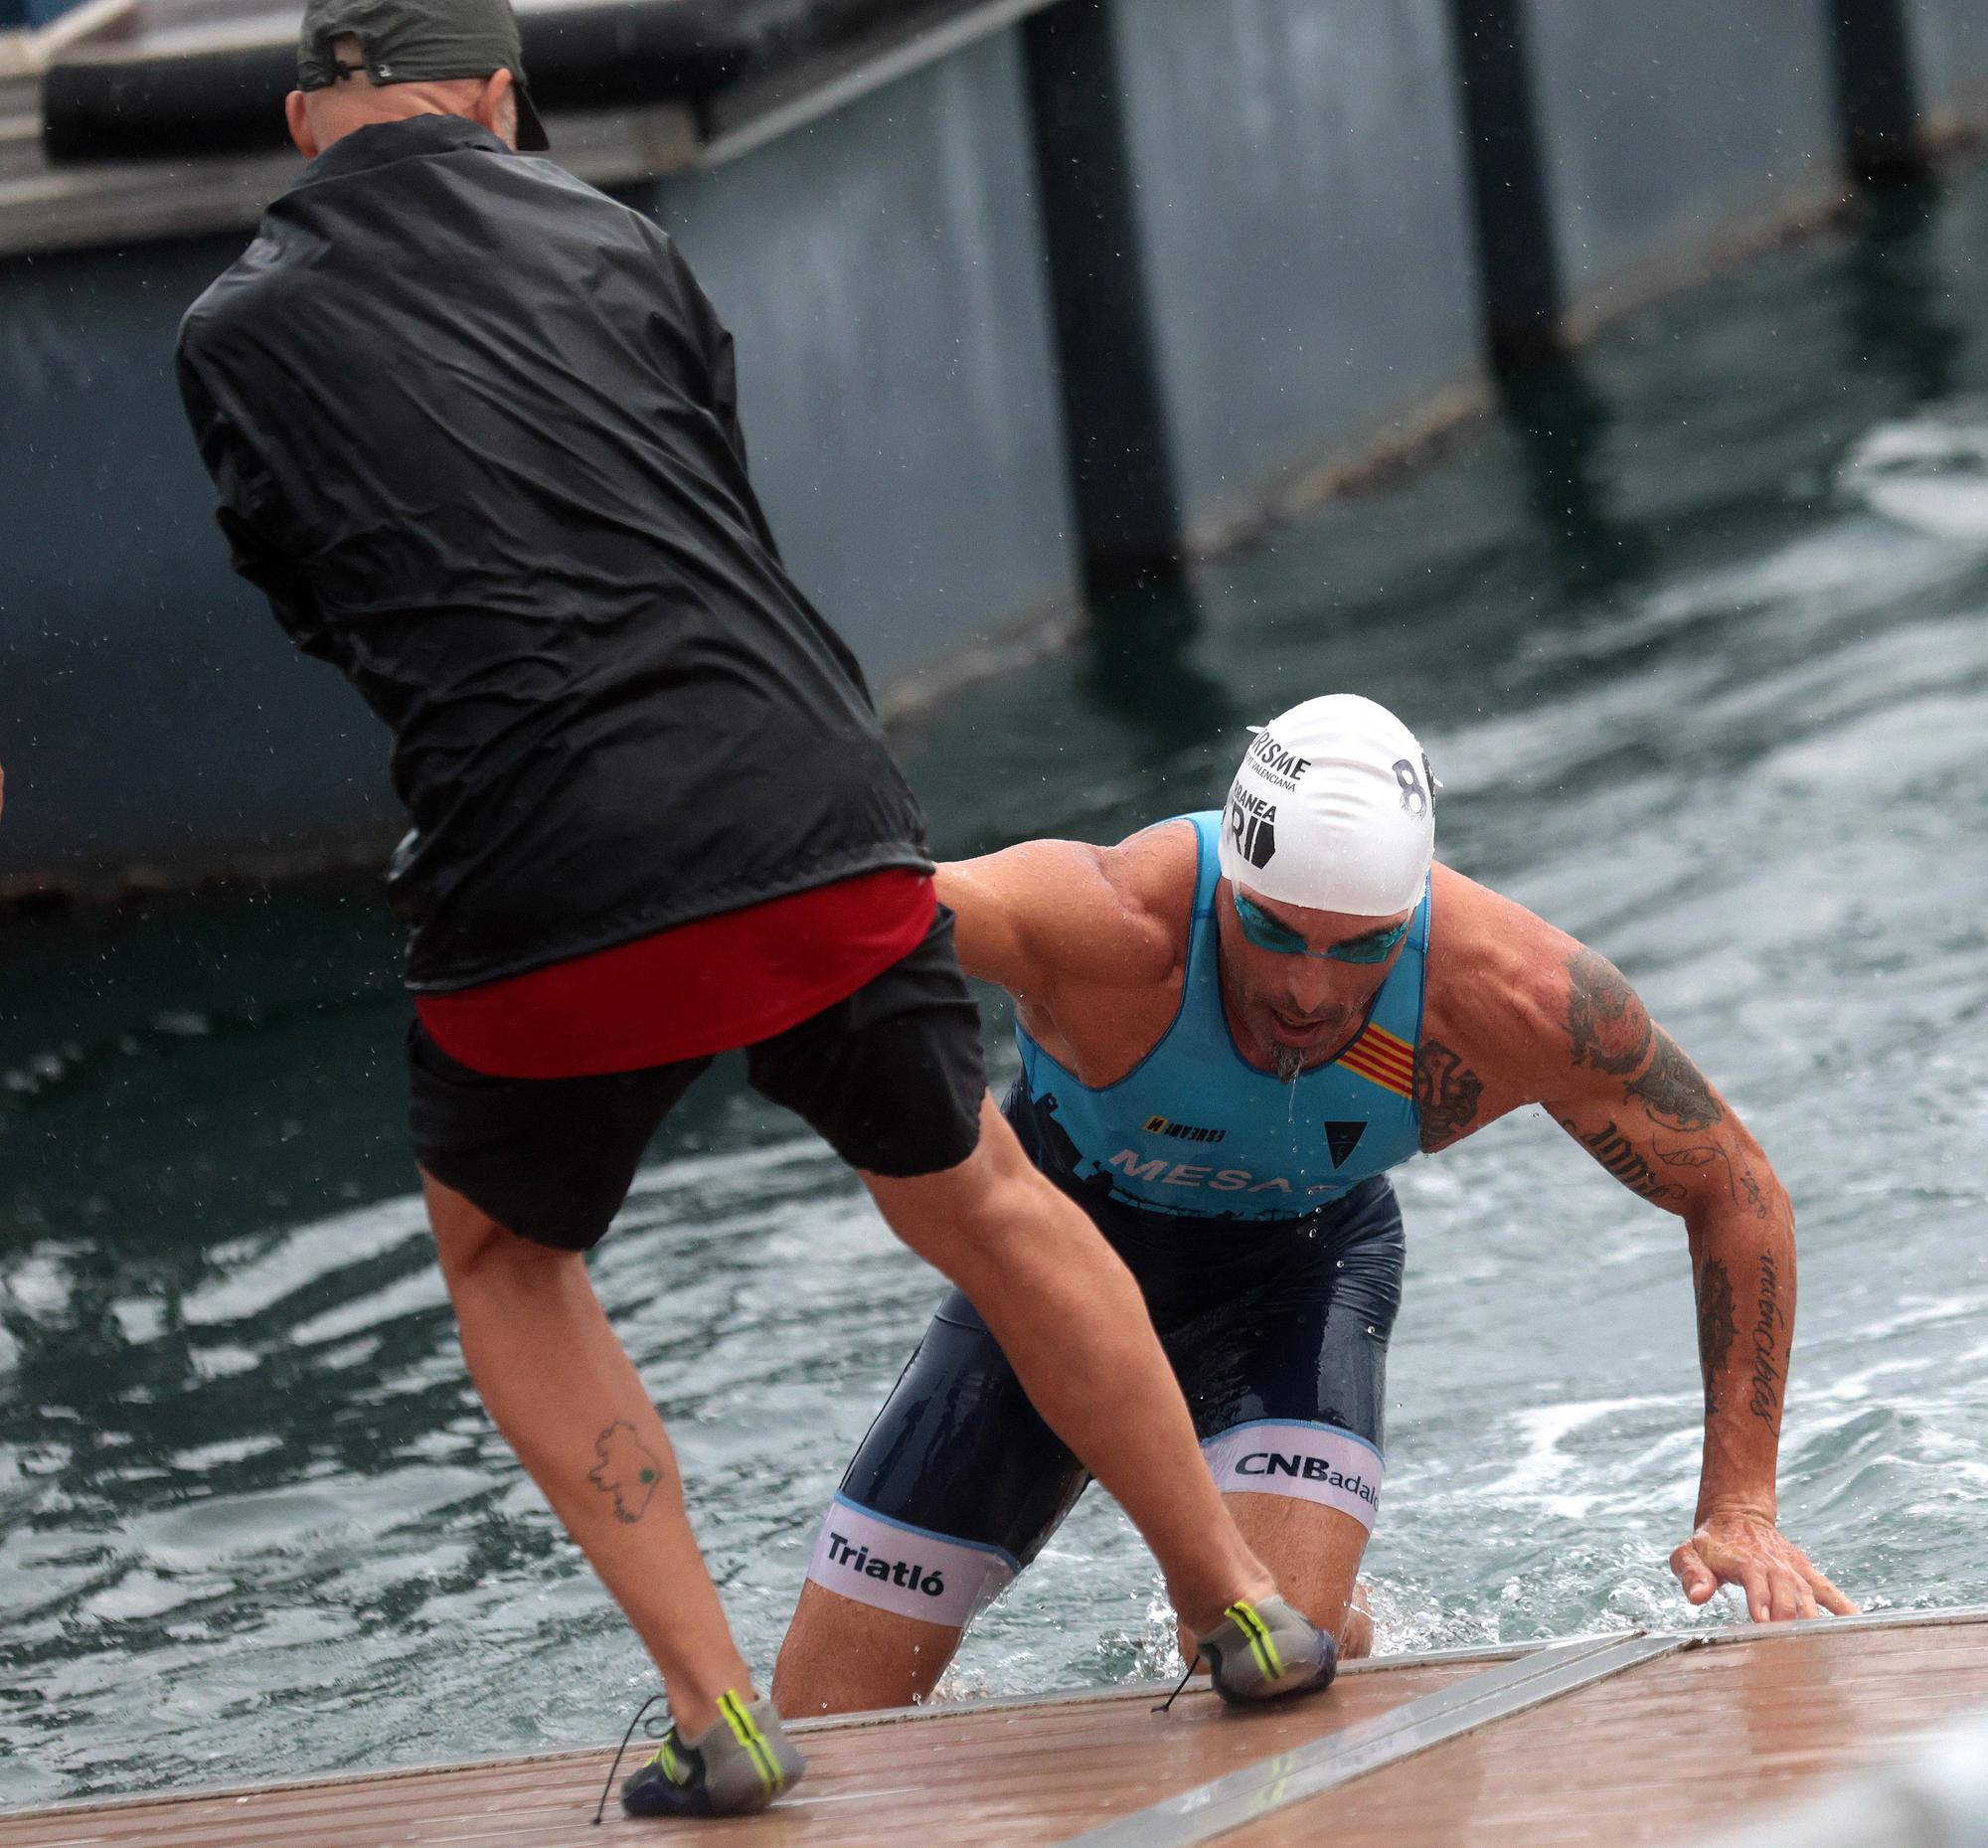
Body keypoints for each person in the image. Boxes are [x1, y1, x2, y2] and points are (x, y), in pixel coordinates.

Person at [172, 0, 1333, 1820]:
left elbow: (323, 597)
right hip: (807, 810)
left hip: (535, 867)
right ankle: (1241, 1607)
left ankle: (720, 1716)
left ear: (306, 116)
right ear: (495, 97)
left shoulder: (231, 330)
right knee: (985, 1199)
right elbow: (705, 502)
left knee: (509, 1257)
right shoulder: (617, 232)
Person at [773, 693, 1857, 1716]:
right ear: (1229, 891)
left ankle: (1329, 1612)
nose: (1307, 987)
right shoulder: (1109, 922)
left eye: (1360, 949)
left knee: (1257, 1668)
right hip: (1049, 1267)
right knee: (823, 1719)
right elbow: (842, 916)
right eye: (1276, 932)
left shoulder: (1517, 996)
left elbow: (1733, 1186)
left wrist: (1738, 1507)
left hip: (1292, 1278)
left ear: (1412, 910)